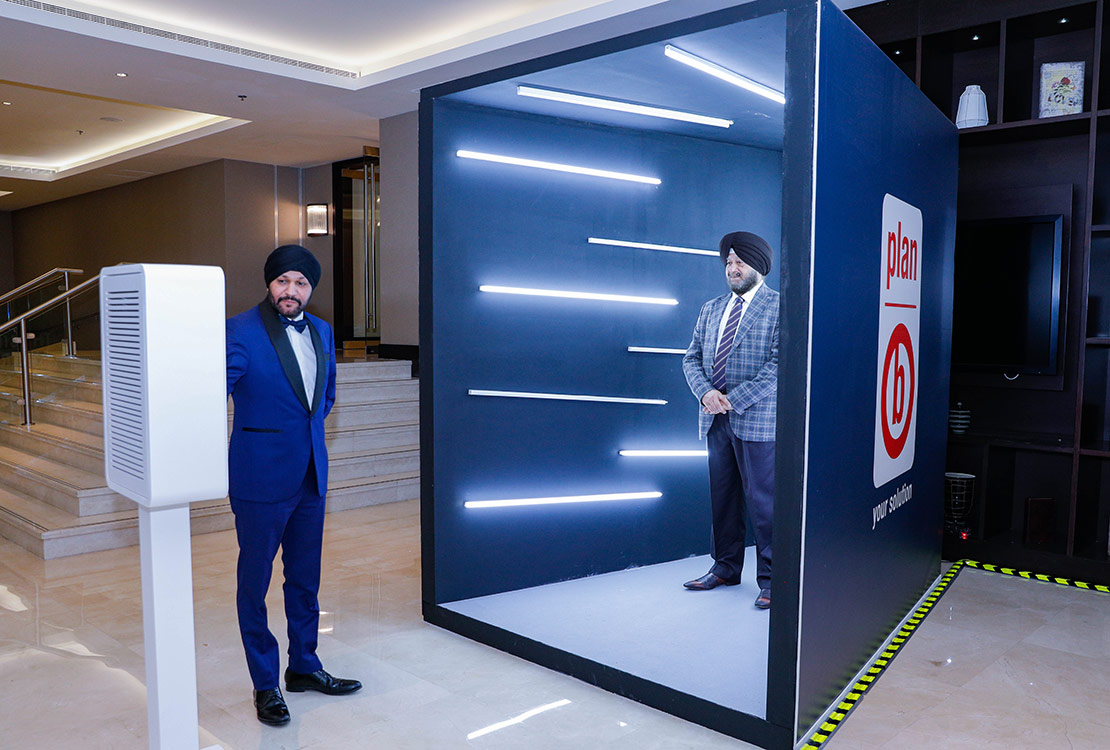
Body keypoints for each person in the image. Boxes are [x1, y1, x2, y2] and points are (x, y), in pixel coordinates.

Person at [226, 244, 361, 726]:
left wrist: (304, 442)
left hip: (310, 478)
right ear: (269, 284)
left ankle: (304, 666)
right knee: (254, 583)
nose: (291, 290)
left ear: (311, 289)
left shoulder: (322, 330)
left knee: (305, 580)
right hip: (260, 477)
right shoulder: (238, 330)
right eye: (283, 281)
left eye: (301, 283)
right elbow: (211, 389)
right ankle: (265, 684)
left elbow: (324, 399)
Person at [681, 231, 778, 610]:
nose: (732, 269)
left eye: (740, 262)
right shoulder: (711, 308)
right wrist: (706, 393)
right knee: (722, 498)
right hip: (714, 419)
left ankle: (772, 579)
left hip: (756, 421)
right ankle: (724, 567)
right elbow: (691, 358)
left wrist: (731, 400)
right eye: (728, 263)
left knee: (764, 504)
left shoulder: (780, 307)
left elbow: (778, 366)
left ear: (759, 265)